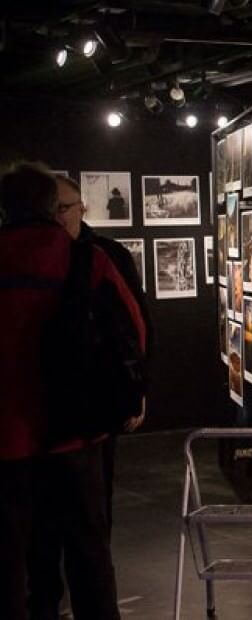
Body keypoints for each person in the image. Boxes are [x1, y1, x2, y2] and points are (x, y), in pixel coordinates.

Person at [0, 163, 146, 620]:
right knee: (89, 552)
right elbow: (133, 334)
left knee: (9, 560)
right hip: (76, 431)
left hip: (6, 439)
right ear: (52, 207)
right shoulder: (86, 259)